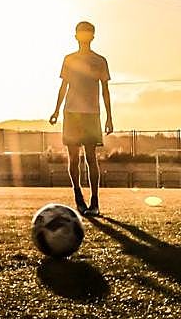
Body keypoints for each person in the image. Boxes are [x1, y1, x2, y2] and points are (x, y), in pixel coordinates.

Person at [49, 21, 113, 217]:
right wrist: (56, 110)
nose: (84, 36)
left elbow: (105, 90)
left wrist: (109, 117)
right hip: (71, 113)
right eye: (81, 32)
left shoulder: (100, 61)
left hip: (91, 114)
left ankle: (95, 201)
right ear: (76, 36)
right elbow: (64, 86)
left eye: (88, 32)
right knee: (73, 157)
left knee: (91, 157)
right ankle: (78, 196)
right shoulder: (69, 59)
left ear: (93, 36)